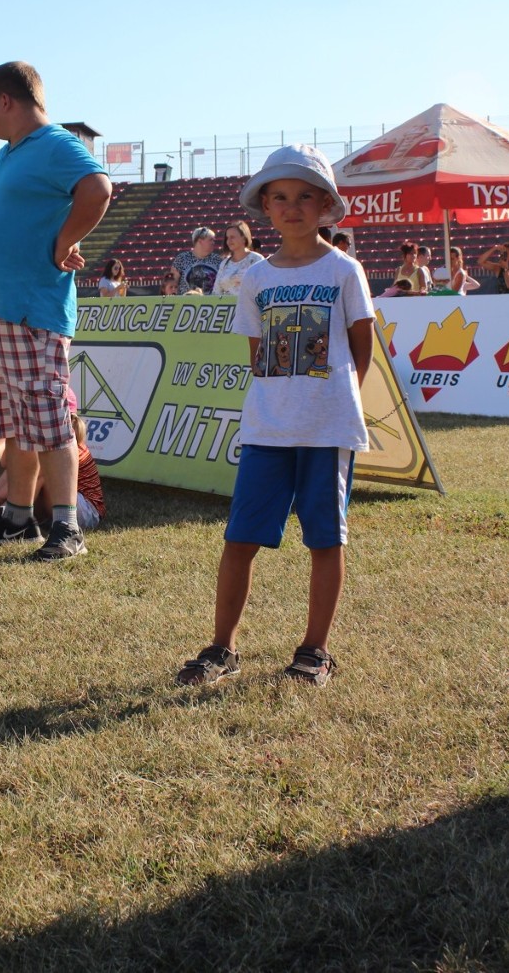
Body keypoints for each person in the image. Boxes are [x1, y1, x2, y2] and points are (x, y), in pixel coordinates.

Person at [176, 144, 374, 690]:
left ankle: (315, 650)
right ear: (265, 205)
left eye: (306, 196)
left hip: (327, 429)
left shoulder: (344, 270)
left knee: (325, 540)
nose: (293, 207)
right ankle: (221, 646)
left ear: (326, 205)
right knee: (240, 539)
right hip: (267, 430)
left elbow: (363, 346)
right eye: (281, 196)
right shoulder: (258, 279)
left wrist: (335, 399)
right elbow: (257, 355)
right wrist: (282, 401)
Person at [0, 61, 111, 560]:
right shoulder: (8, 155)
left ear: (6, 100)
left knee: (47, 417)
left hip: (32, 308)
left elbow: (98, 187)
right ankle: (18, 520)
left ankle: (66, 527)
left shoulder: (55, 143)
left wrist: (64, 242)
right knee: (16, 424)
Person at [0, 395, 105, 537]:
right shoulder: (46, 438)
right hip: (58, 503)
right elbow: (7, 463)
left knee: (40, 470)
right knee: (22, 468)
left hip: (85, 511)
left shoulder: (68, 445)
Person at [212, 220, 264, 296]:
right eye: (227, 238)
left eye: (232, 237)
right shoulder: (224, 264)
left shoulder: (257, 259)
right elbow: (216, 292)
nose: (228, 241)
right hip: (227, 307)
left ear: (244, 238)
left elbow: (264, 287)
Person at [169, 228, 223, 294]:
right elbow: (171, 284)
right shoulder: (182, 259)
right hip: (187, 302)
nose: (213, 243)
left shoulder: (218, 260)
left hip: (213, 303)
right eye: (210, 240)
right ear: (200, 241)